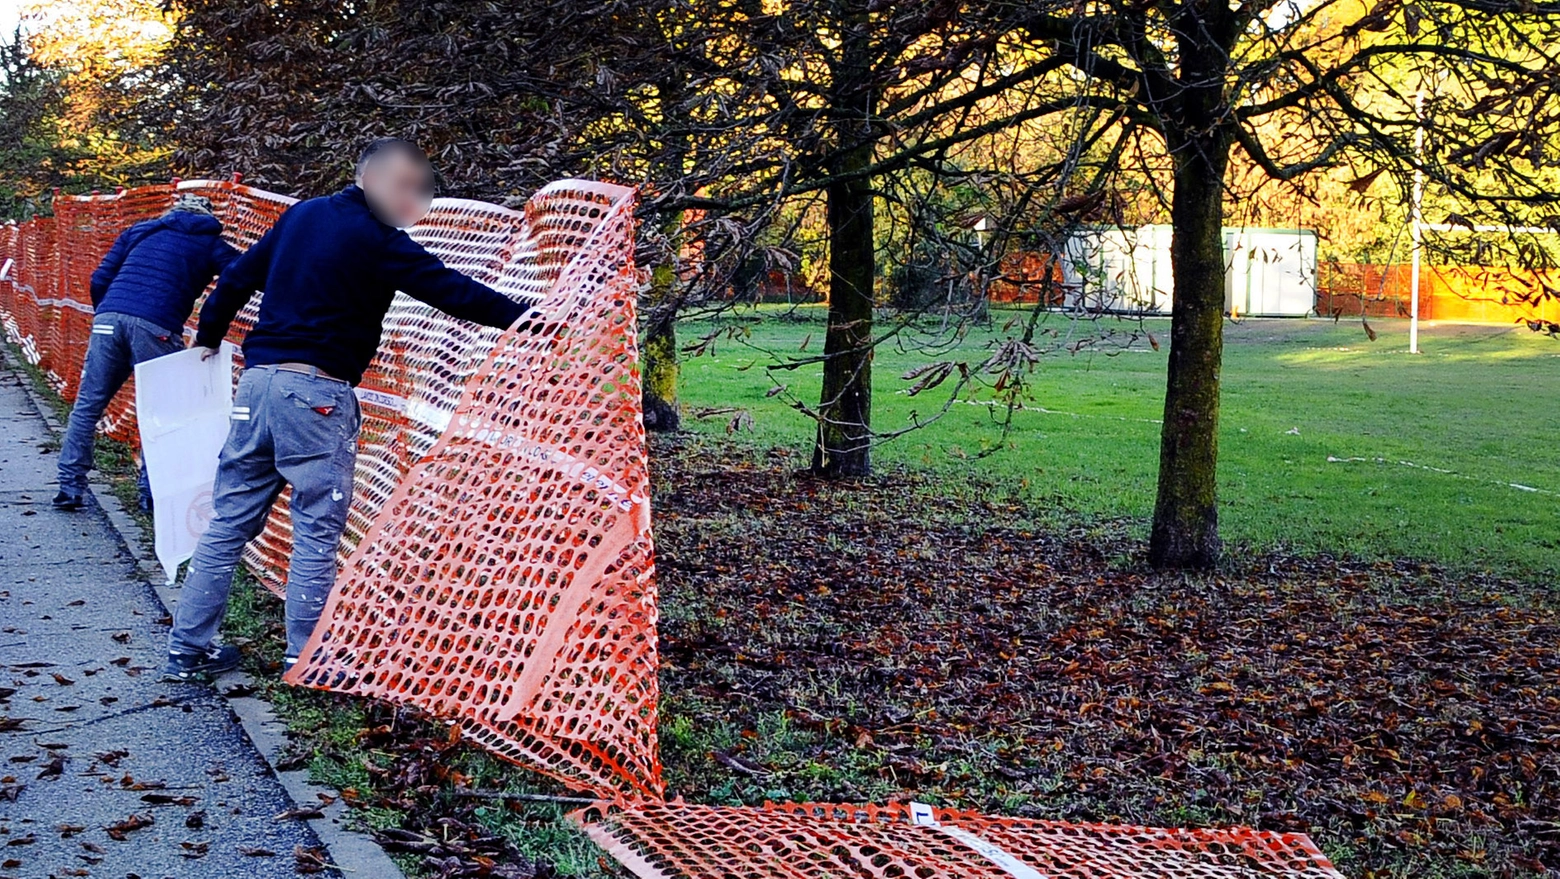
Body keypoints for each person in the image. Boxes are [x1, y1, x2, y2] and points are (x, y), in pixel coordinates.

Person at [162, 138, 528, 682]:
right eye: (402, 187)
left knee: (227, 524)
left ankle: (185, 650)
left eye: (416, 190)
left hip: (257, 386)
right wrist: (536, 318)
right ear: (368, 179)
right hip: (316, 398)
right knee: (315, 529)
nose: (409, 200)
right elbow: (457, 293)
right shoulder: (378, 240)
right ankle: (308, 658)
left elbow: (236, 279)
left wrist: (208, 339)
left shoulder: (301, 217)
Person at [55, 194, 240, 513]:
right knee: (162, 412)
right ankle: (151, 494)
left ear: (172, 210)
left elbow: (100, 278)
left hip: (109, 317)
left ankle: (70, 487)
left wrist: (108, 315)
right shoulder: (211, 243)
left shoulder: (140, 231)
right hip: (157, 325)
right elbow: (240, 277)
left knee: (88, 405)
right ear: (207, 216)